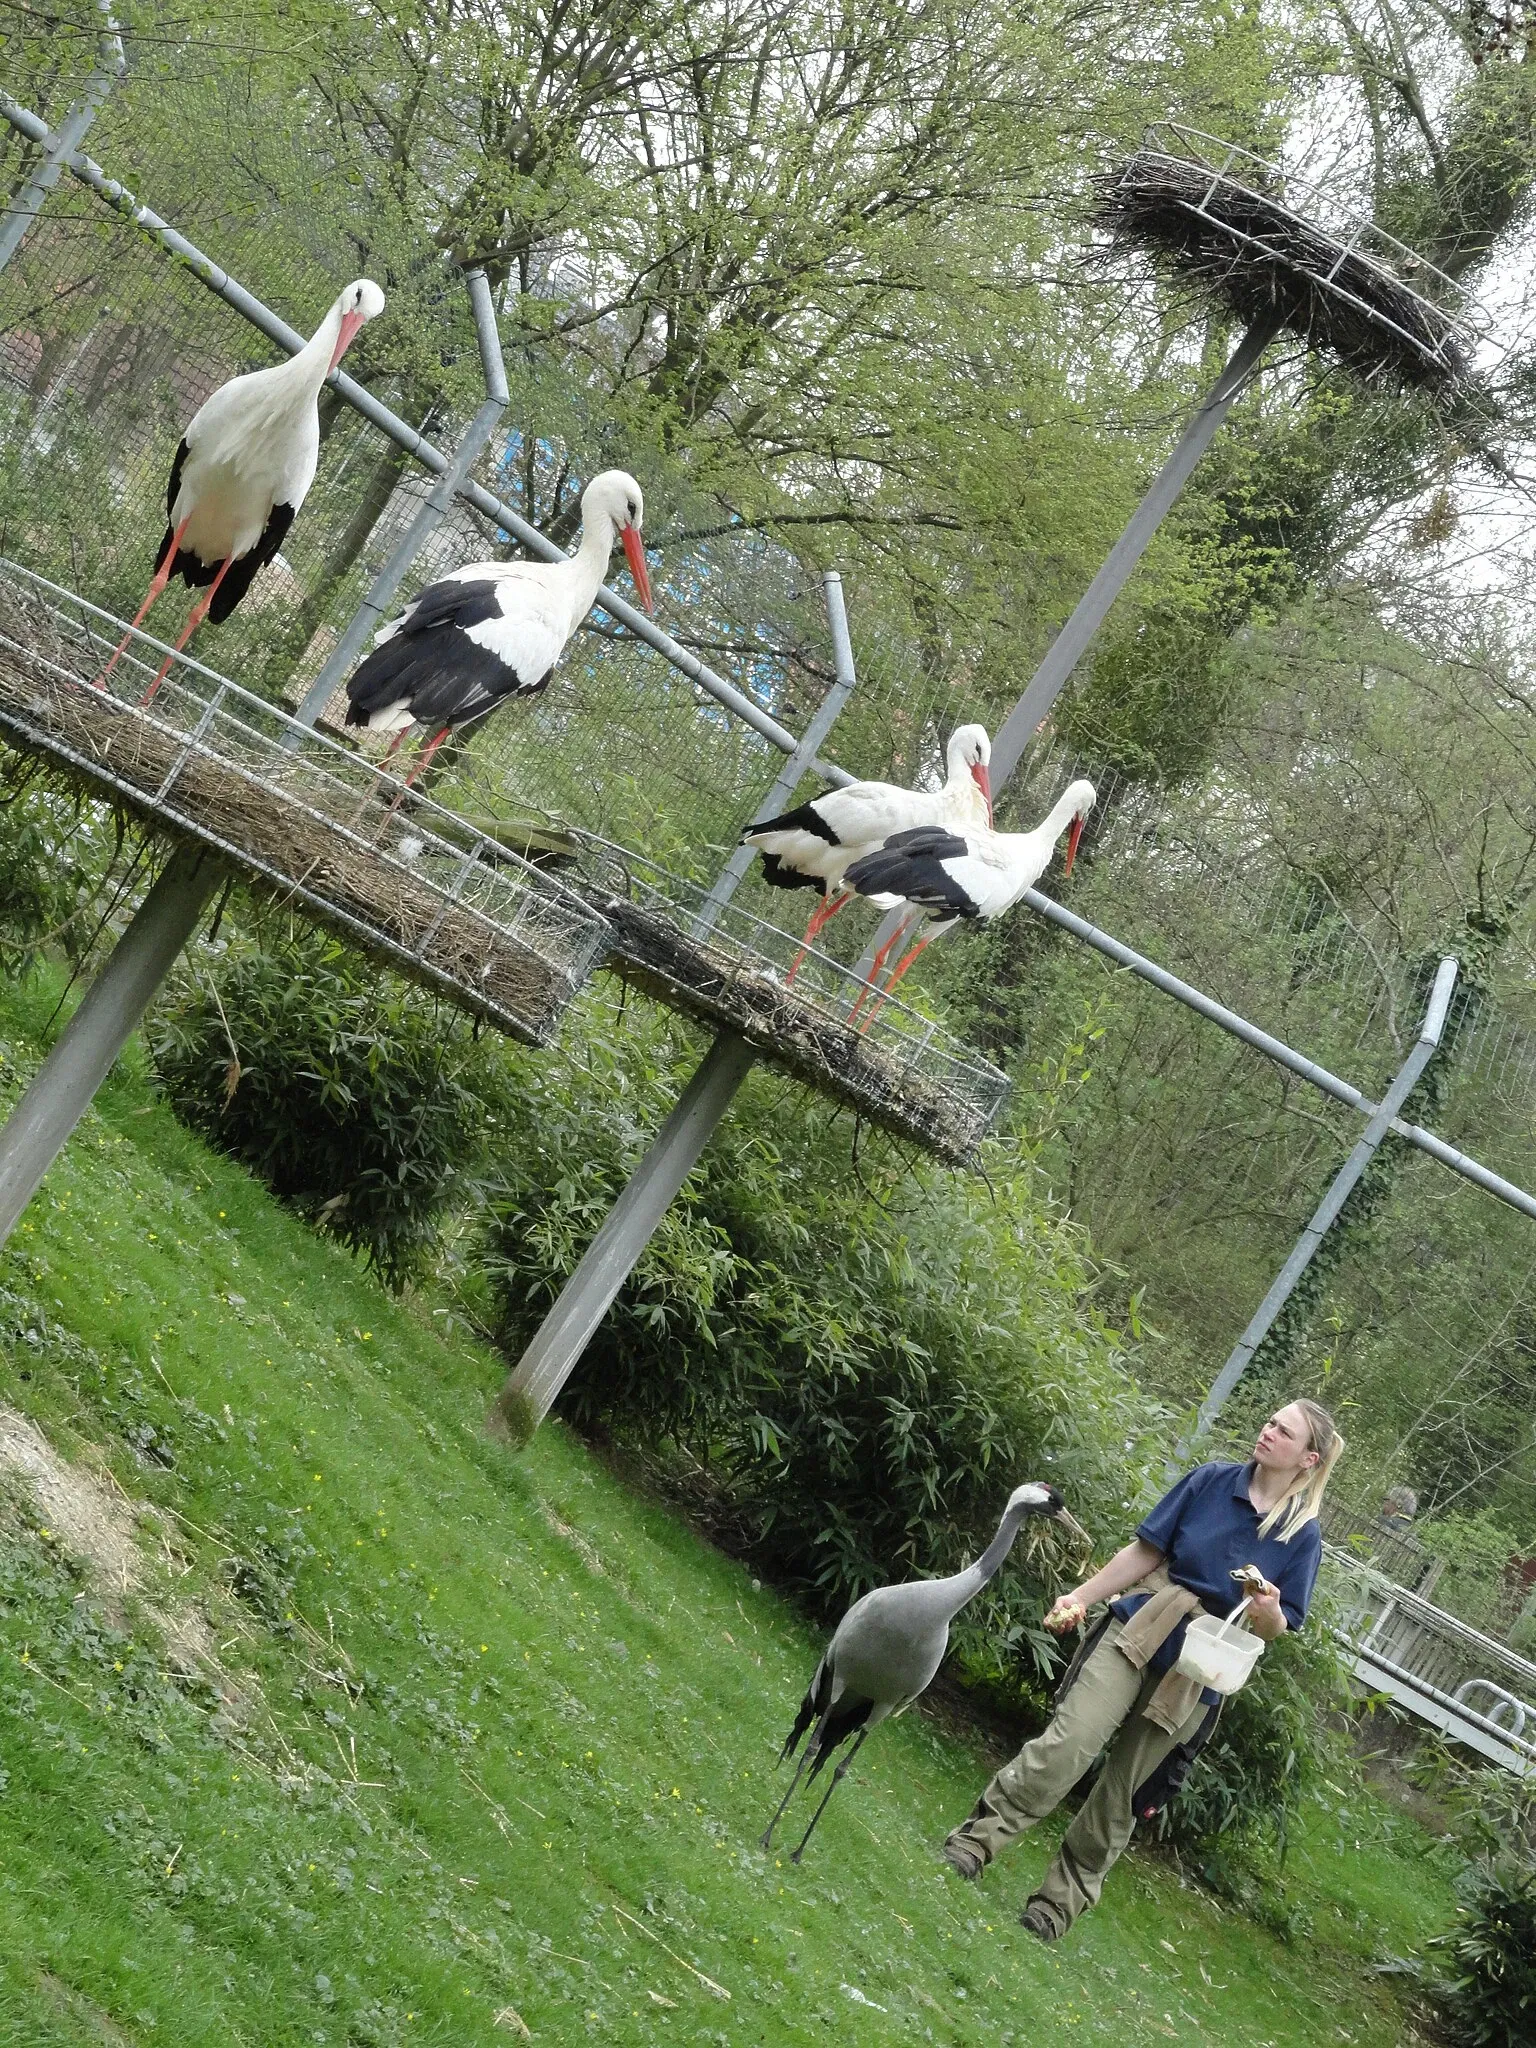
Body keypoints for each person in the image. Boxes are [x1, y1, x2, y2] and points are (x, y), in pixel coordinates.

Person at [941, 1398, 1344, 1941]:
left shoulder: (1303, 1534)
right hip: (1141, 1626)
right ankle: (974, 1842)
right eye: (1270, 1421)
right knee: (1070, 1741)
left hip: (1202, 1666)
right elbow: (1144, 1553)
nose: (1267, 1431)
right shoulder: (1210, 1481)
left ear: (1308, 1459)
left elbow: (1278, 1627)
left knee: (1123, 1794)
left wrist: (1268, 1608)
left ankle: (1056, 1907)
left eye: (1283, 1430)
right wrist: (1079, 1597)